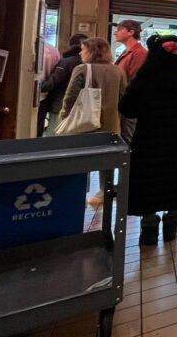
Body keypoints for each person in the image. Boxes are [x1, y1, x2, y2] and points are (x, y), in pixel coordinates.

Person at [119, 35, 177, 245]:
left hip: (149, 138)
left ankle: (149, 230)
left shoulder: (145, 76)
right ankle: (172, 226)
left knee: (150, 183)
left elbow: (126, 108)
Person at [60, 37, 128, 211]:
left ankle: (79, 194)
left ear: (90, 51)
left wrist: (65, 117)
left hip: (85, 123)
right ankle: (105, 191)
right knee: (107, 161)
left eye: (83, 49)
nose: (80, 52)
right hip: (111, 125)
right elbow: (124, 98)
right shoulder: (118, 71)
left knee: (82, 160)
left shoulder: (82, 69)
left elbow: (70, 97)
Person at [38, 35, 86, 137]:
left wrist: (35, 87)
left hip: (59, 106)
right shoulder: (89, 63)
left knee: (54, 136)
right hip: (80, 107)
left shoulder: (66, 62)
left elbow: (52, 82)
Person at [113, 20, 147, 143]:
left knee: (128, 139)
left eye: (119, 30)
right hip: (125, 102)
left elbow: (137, 82)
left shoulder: (139, 54)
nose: (115, 34)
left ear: (131, 32)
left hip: (130, 104)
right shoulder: (128, 51)